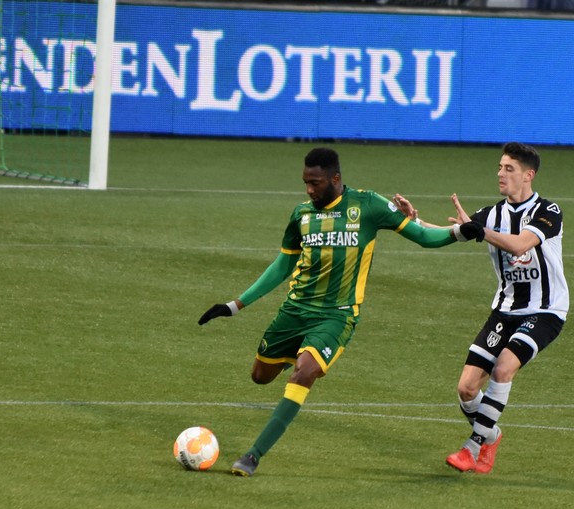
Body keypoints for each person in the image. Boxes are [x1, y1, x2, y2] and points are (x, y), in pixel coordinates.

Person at [198, 147, 484, 477]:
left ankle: (253, 455)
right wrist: (235, 305)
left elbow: (422, 236)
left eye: (315, 183)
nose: (309, 189)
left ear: (335, 179)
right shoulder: (302, 215)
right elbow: (283, 265)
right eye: (305, 182)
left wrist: (458, 233)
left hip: (336, 315)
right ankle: (304, 352)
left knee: (304, 373)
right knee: (259, 376)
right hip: (294, 311)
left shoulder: (369, 205)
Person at [393, 142, 569, 474]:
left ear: (528, 175)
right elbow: (446, 234)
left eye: (509, 169)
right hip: (504, 310)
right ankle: (492, 434)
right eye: (500, 167)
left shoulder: (549, 211)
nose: (500, 174)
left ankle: (472, 448)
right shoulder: (491, 214)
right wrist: (412, 222)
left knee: (503, 369)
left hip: (544, 310)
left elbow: (519, 243)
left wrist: (480, 231)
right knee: (466, 388)